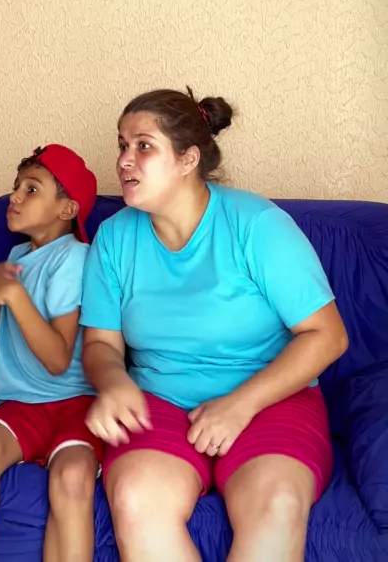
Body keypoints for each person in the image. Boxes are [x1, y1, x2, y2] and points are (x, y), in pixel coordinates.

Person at [80, 88, 349, 562]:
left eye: (144, 146)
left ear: (188, 159)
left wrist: (240, 405)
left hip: (269, 397)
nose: (124, 160)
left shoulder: (257, 224)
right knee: (136, 499)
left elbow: (328, 335)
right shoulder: (113, 238)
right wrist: (114, 382)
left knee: (276, 505)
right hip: (160, 400)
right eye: (122, 145)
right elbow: (101, 343)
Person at [0, 144, 102, 562]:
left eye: (32, 188)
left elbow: (58, 359)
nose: (15, 196)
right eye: (16, 186)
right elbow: (7, 348)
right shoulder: (15, 258)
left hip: (76, 402)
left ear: (67, 209)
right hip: (21, 402)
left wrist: (14, 296)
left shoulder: (73, 258)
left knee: (73, 475)